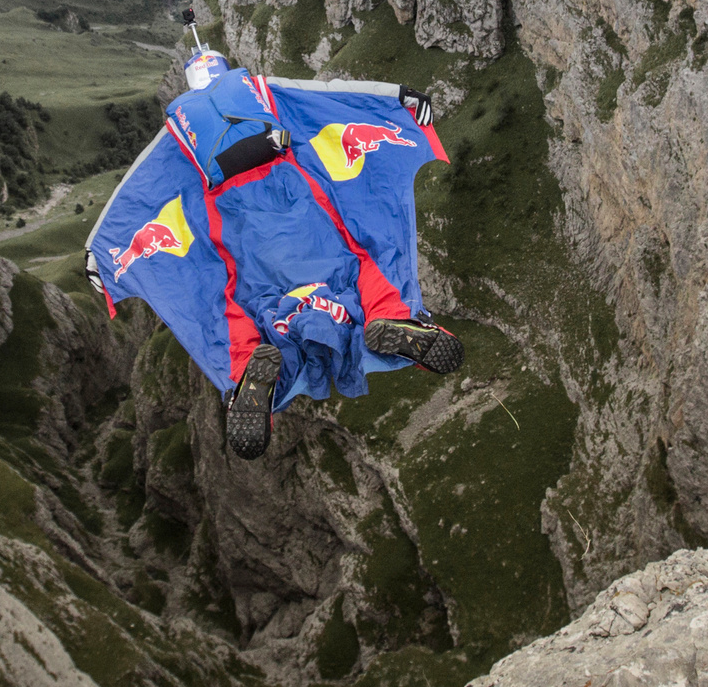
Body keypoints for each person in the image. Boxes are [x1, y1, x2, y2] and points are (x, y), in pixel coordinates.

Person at [87, 48, 461, 458]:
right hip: (297, 199)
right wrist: (398, 97)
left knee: (231, 305)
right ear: (225, 68)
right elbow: (332, 92)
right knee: (363, 261)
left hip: (240, 228)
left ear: (189, 81)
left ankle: (246, 370)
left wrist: (97, 255)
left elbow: (136, 188)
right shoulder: (260, 90)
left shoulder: (178, 131)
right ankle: (394, 317)